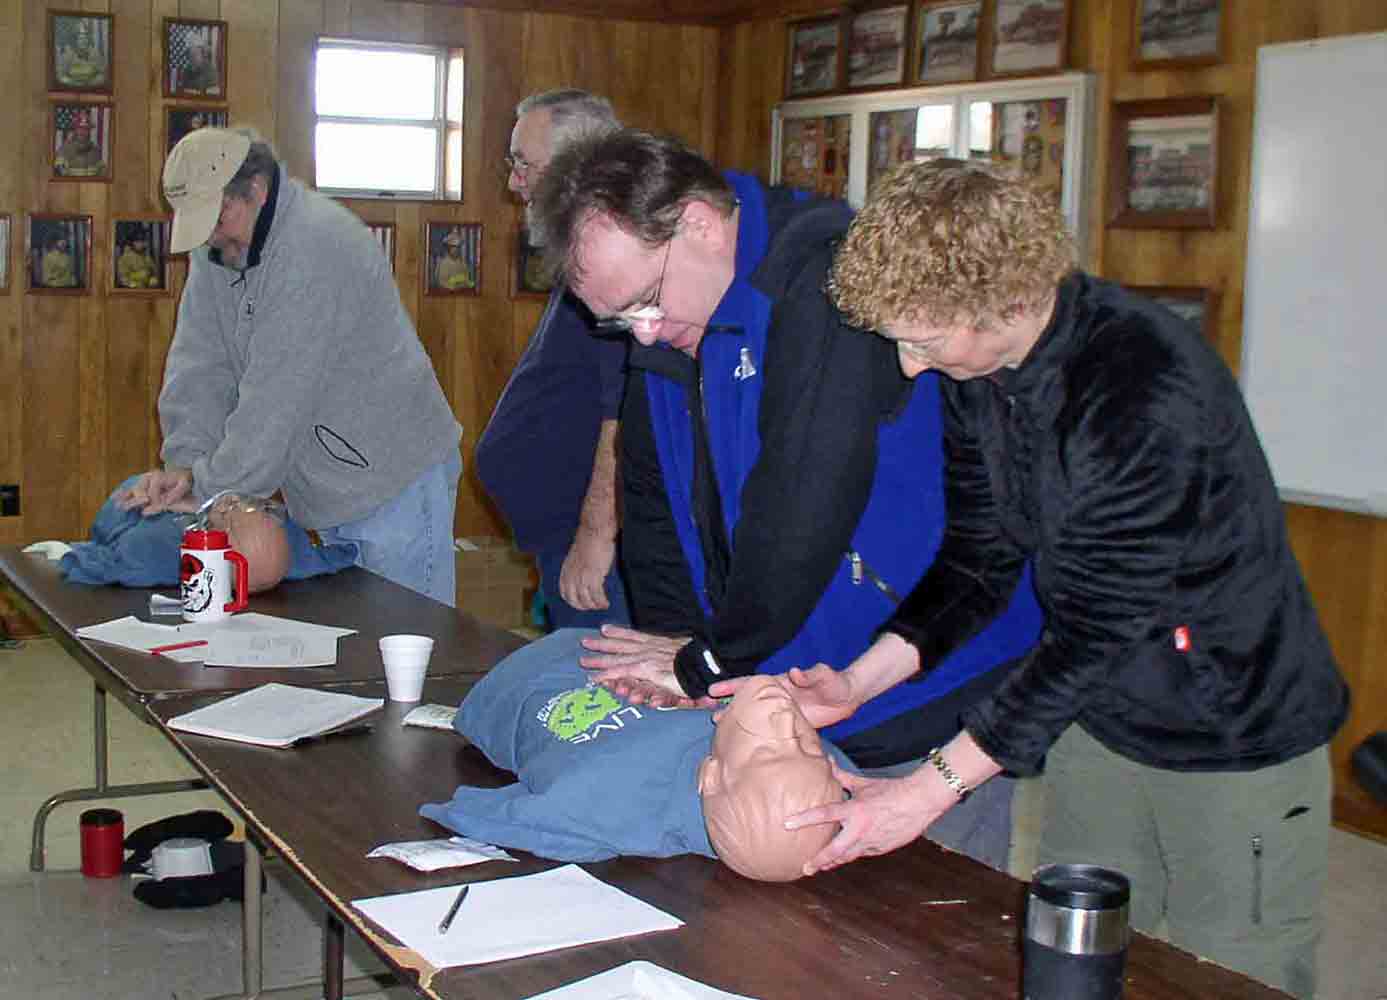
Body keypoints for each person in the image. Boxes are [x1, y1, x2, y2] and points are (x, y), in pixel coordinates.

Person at [757, 158, 1348, 998]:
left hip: (1230, 722)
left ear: (1004, 299)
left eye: (923, 339)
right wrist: (859, 679)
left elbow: (1097, 626)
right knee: (1080, 954)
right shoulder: (980, 375)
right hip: (1097, 714)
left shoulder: (1141, 384)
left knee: (1230, 970)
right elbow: (977, 556)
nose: (911, 367)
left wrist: (921, 794)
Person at [528, 130, 1042, 871]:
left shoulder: (824, 276)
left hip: (918, 681)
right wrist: (678, 643)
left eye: (644, 302)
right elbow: (653, 496)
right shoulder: (671, 313)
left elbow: (804, 499)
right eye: (616, 320)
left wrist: (709, 659)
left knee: (919, 943)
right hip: (792, 688)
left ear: (700, 224)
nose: (642, 332)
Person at [118, 127, 462, 606]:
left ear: (256, 189)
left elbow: (276, 398)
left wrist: (209, 491)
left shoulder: (317, 245)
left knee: (408, 648)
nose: (212, 237)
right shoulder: (218, 247)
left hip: (394, 478)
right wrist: (184, 463)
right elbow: (198, 363)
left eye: (218, 217)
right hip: (321, 480)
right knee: (349, 654)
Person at [421, 628, 847, 881]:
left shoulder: (606, 802)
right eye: (809, 744)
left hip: (519, 681)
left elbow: (506, 817)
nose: (785, 721)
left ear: (710, 776)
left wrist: (452, 812)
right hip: (629, 649)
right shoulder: (812, 783)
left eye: (770, 750)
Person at [473, 89, 631, 629]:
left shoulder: (619, 263)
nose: (513, 182)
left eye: (523, 163)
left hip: (594, 551)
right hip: (558, 538)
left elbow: (622, 413)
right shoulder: (581, 256)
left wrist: (594, 536)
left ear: (579, 166)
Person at [49, 475, 357, 592]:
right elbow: (337, 557)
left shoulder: (292, 552)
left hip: (146, 500)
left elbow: (331, 558)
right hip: (148, 496)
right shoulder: (152, 555)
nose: (234, 501)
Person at [55, 110, 104, 177]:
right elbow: (59, 170)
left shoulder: (95, 150)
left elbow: (102, 171)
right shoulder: (65, 149)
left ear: (89, 131)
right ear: (75, 130)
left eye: (85, 129)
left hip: (93, 186)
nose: (82, 132)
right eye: (80, 128)